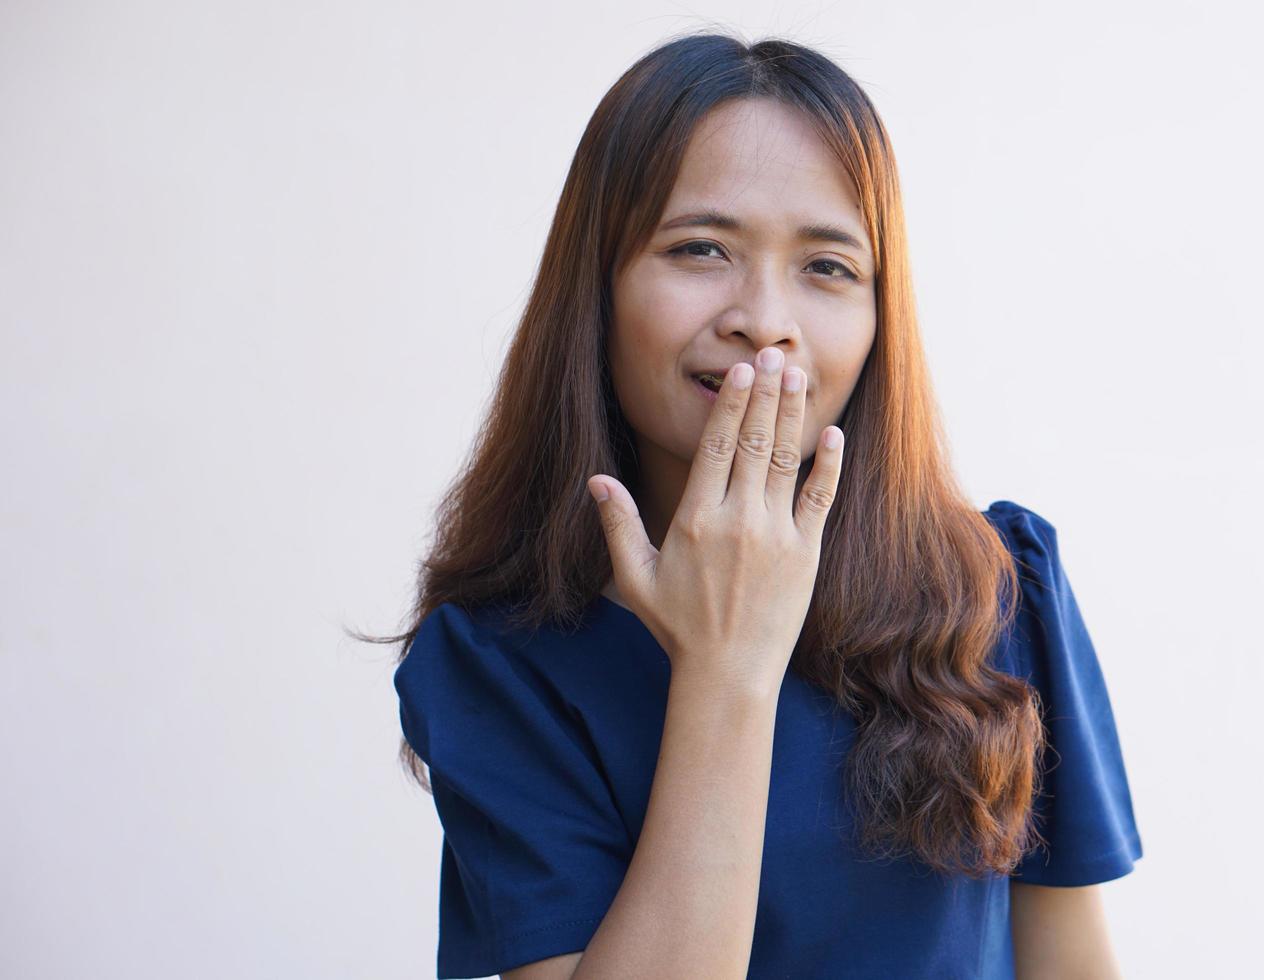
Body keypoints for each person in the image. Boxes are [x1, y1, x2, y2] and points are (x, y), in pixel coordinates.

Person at [387, 30, 1142, 980]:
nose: (765, 318)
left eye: (827, 267)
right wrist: (729, 669)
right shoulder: (498, 665)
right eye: (701, 249)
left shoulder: (1001, 586)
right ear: (600, 289)